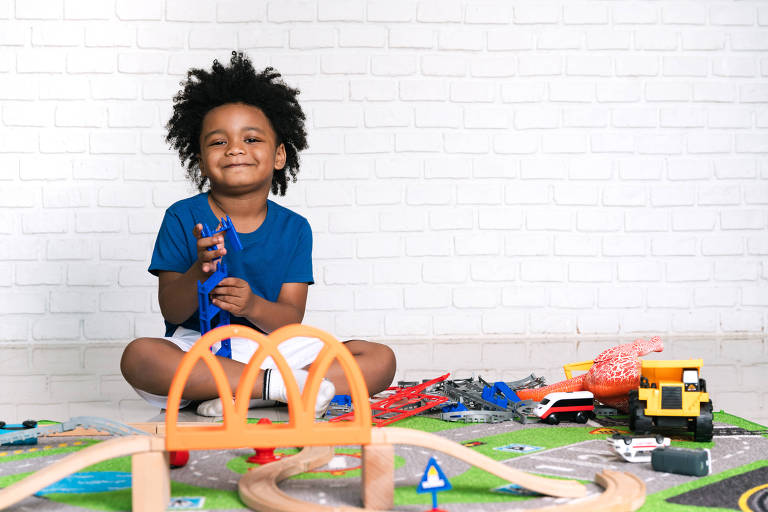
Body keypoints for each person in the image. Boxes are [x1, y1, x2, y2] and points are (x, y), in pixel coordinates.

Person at [120, 51, 396, 418]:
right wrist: (197, 273)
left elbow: (288, 320)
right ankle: (278, 388)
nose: (235, 148)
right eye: (218, 142)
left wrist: (251, 306)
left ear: (279, 155)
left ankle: (246, 392)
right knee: (139, 356)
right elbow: (171, 310)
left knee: (379, 359)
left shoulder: (294, 228)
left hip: (273, 347)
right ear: (200, 159)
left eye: (251, 139)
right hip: (202, 351)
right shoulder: (181, 217)